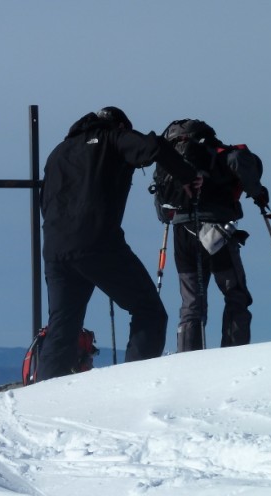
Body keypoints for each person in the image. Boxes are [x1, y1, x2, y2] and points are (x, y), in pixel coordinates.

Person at [36, 107, 202, 381]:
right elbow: (154, 147)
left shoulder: (58, 152)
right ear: (120, 125)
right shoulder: (113, 138)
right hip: (97, 242)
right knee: (149, 311)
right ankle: (133, 386)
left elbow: (46, 201)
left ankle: (42, 398)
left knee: (62, 327)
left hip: (55, 248)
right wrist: (187, 176)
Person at [161, 118, 269, 352]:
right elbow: (240, 161)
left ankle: (188, 360)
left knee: (191, 304)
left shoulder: (170, 159)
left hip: (181, 233)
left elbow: (162, 209)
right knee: (235, 294)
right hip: (214, 231)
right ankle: (232, 355)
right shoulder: (217, 152)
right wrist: (258, 193)